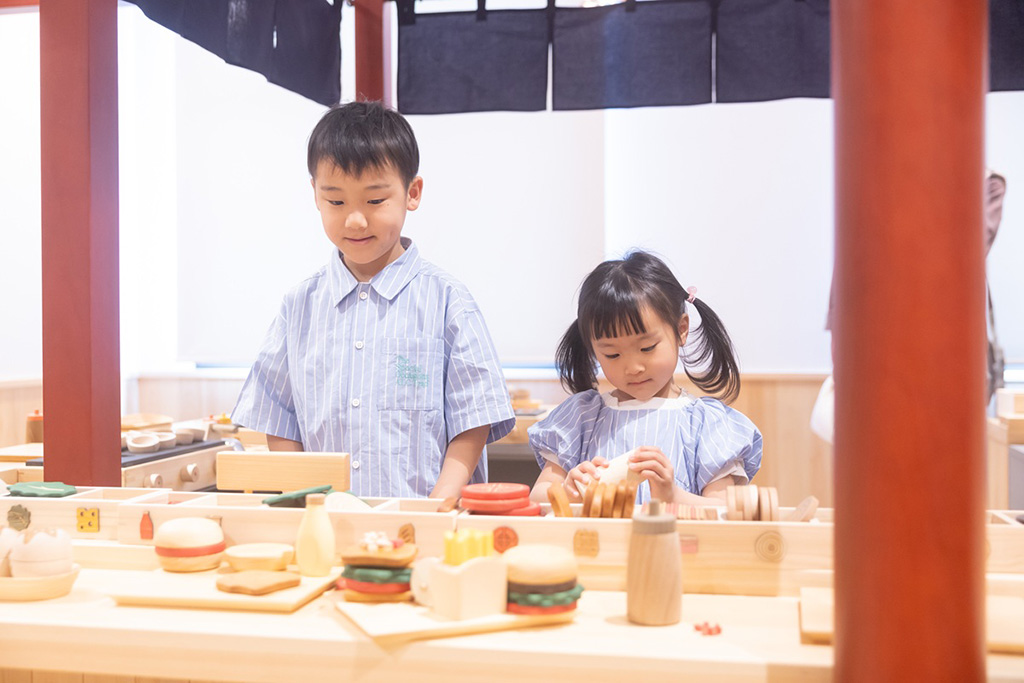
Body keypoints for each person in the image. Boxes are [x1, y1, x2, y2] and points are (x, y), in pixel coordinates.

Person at [231, 101, 514, 499]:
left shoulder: (449, 301)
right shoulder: (298, 307)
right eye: (336, 201)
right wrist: (304, 502)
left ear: (412, 193)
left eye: (375, 201)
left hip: (426, 526)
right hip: (327, 526)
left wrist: (438, 505)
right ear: (315, 194)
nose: (355, 220)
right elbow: (278, 418)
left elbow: (474, 421)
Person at [529, 251, 762, 505]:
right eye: (613, 354)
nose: (633, 367)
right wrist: (567, 491)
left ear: (681, 329)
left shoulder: (705, 424)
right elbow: (538, 497)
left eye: (647, 348)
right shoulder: (581, 417)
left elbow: (724, 511)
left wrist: (673, 495)